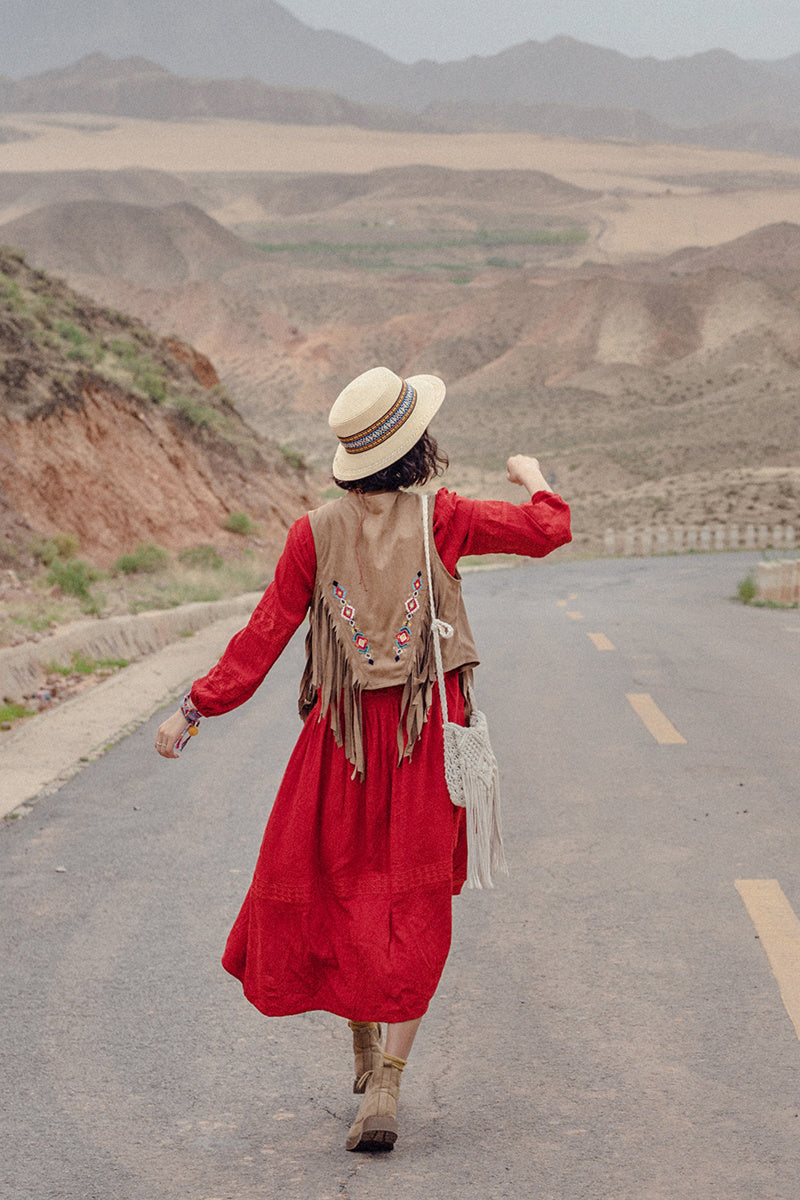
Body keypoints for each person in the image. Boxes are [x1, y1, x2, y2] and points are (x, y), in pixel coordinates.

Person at [154, 365, 571, 1152]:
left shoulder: (311, 531)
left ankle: (363, 1038)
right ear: (419, 446)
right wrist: (534, 477)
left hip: (337, 745)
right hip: (422, 742)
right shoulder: (442, 518)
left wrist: (193, 708)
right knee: (409, 903)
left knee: (342, 885)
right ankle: (387, 1079)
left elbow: (264, 635)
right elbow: (547, 531)